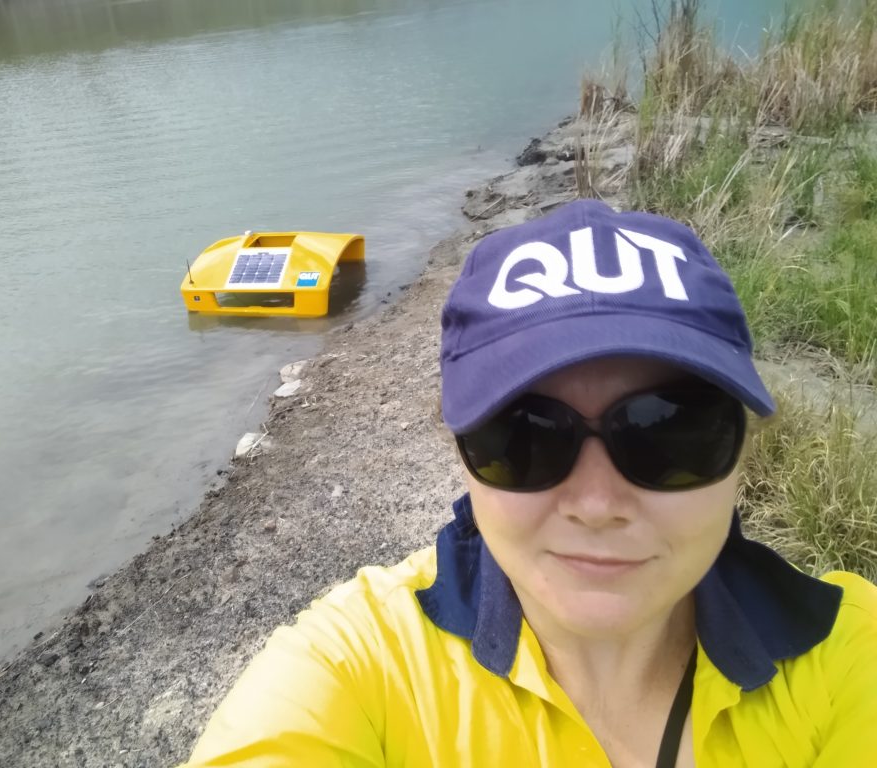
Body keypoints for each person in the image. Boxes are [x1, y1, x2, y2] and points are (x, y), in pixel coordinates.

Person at [181, 200, 877, 767]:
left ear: (743, 451)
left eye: (670, 433)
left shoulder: (850, 658)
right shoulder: (361, 668)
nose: (598, 505)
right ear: (461, 456)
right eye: (526, 438)